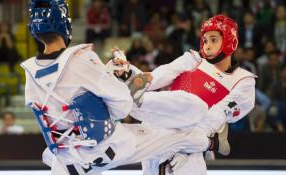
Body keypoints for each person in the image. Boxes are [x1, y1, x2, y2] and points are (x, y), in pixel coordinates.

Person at [22, 1, 224, 175]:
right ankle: (210, 142)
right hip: (106, 149)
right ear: (64, 24)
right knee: (175, 134)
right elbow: (123, 104)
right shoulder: (81, 58)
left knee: (51, 157)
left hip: (66, 161)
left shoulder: (30, 73)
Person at [108, 15, 256, 174]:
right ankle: (126, 87)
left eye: (213, 40)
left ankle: (128, 96)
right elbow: (159, 75)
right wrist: (132, 75)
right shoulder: (193, 59)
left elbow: (218, 115)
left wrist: (186, 144)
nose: (207, 45)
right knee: (183, 103)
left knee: (195, 107)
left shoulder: (243, 80)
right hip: (161, 122)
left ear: (230, 41)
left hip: (192, 129)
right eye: (205, 40)